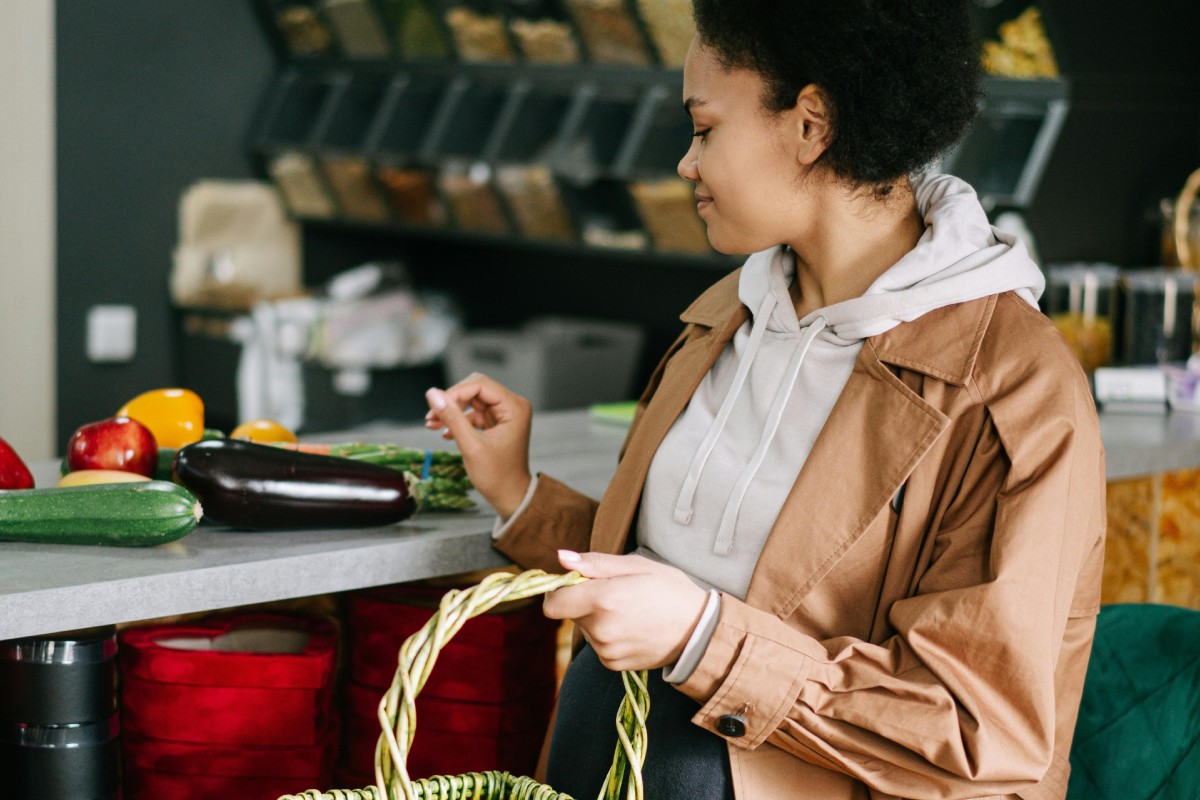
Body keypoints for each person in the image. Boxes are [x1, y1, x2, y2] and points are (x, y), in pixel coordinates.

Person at [423, 0, 1106, 797]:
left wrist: (702, 639)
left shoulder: (1011, 389)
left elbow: (977, 725)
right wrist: (520, 493)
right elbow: (663, 582)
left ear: (811, 123)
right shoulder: (724, 317)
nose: (687, 163)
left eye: (705, 128)